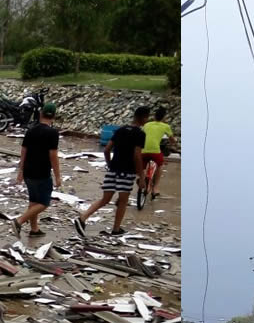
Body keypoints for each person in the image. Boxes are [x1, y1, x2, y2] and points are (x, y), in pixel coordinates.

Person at [73, 105, 149, 239]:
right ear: (144, 118)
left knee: (105, 199)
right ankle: (116, 229)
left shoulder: (119, 130)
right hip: (127, 171)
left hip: (113, 169)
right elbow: (137, 155)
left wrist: (110, 165)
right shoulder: (140, 134)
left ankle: (83, 217)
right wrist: (141, 176)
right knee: (123, 201)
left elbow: (107, 150)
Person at [10, 102, 61, 238]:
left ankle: (34, 229)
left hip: (28, 171)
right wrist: (58, 176)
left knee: (33, 201)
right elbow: (53, 156)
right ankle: (19, 221)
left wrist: (20, 171)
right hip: (42, 172)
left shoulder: (31, 130)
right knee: (44, 203)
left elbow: (23, 151)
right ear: (54, 117)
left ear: (40, 114)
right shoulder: (53, 133)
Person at [142, 107, 173, 199]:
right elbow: (171, 139)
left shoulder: (146, 125)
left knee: (143, 166)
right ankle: (155, 188)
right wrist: (174, 143)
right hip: (155, 151)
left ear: (154, 116)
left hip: (143, 150)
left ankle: (142, 180)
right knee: (160, 165)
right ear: (164, 118)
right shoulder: (165, 126)